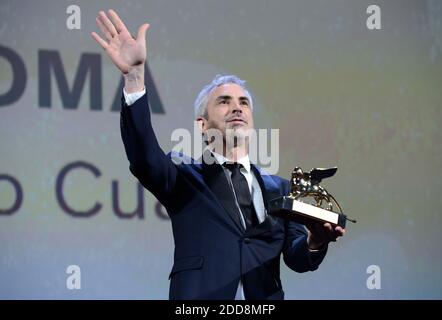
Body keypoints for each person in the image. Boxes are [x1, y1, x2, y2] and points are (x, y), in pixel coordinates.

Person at [91, 9, 345, 300]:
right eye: (224, 102)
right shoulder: (183, 175)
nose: (237, 108)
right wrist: (135, 77)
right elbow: (144, 157)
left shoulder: (281, 189)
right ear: (202, 124)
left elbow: (297, 259)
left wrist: (316, 241)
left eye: (243, 103)